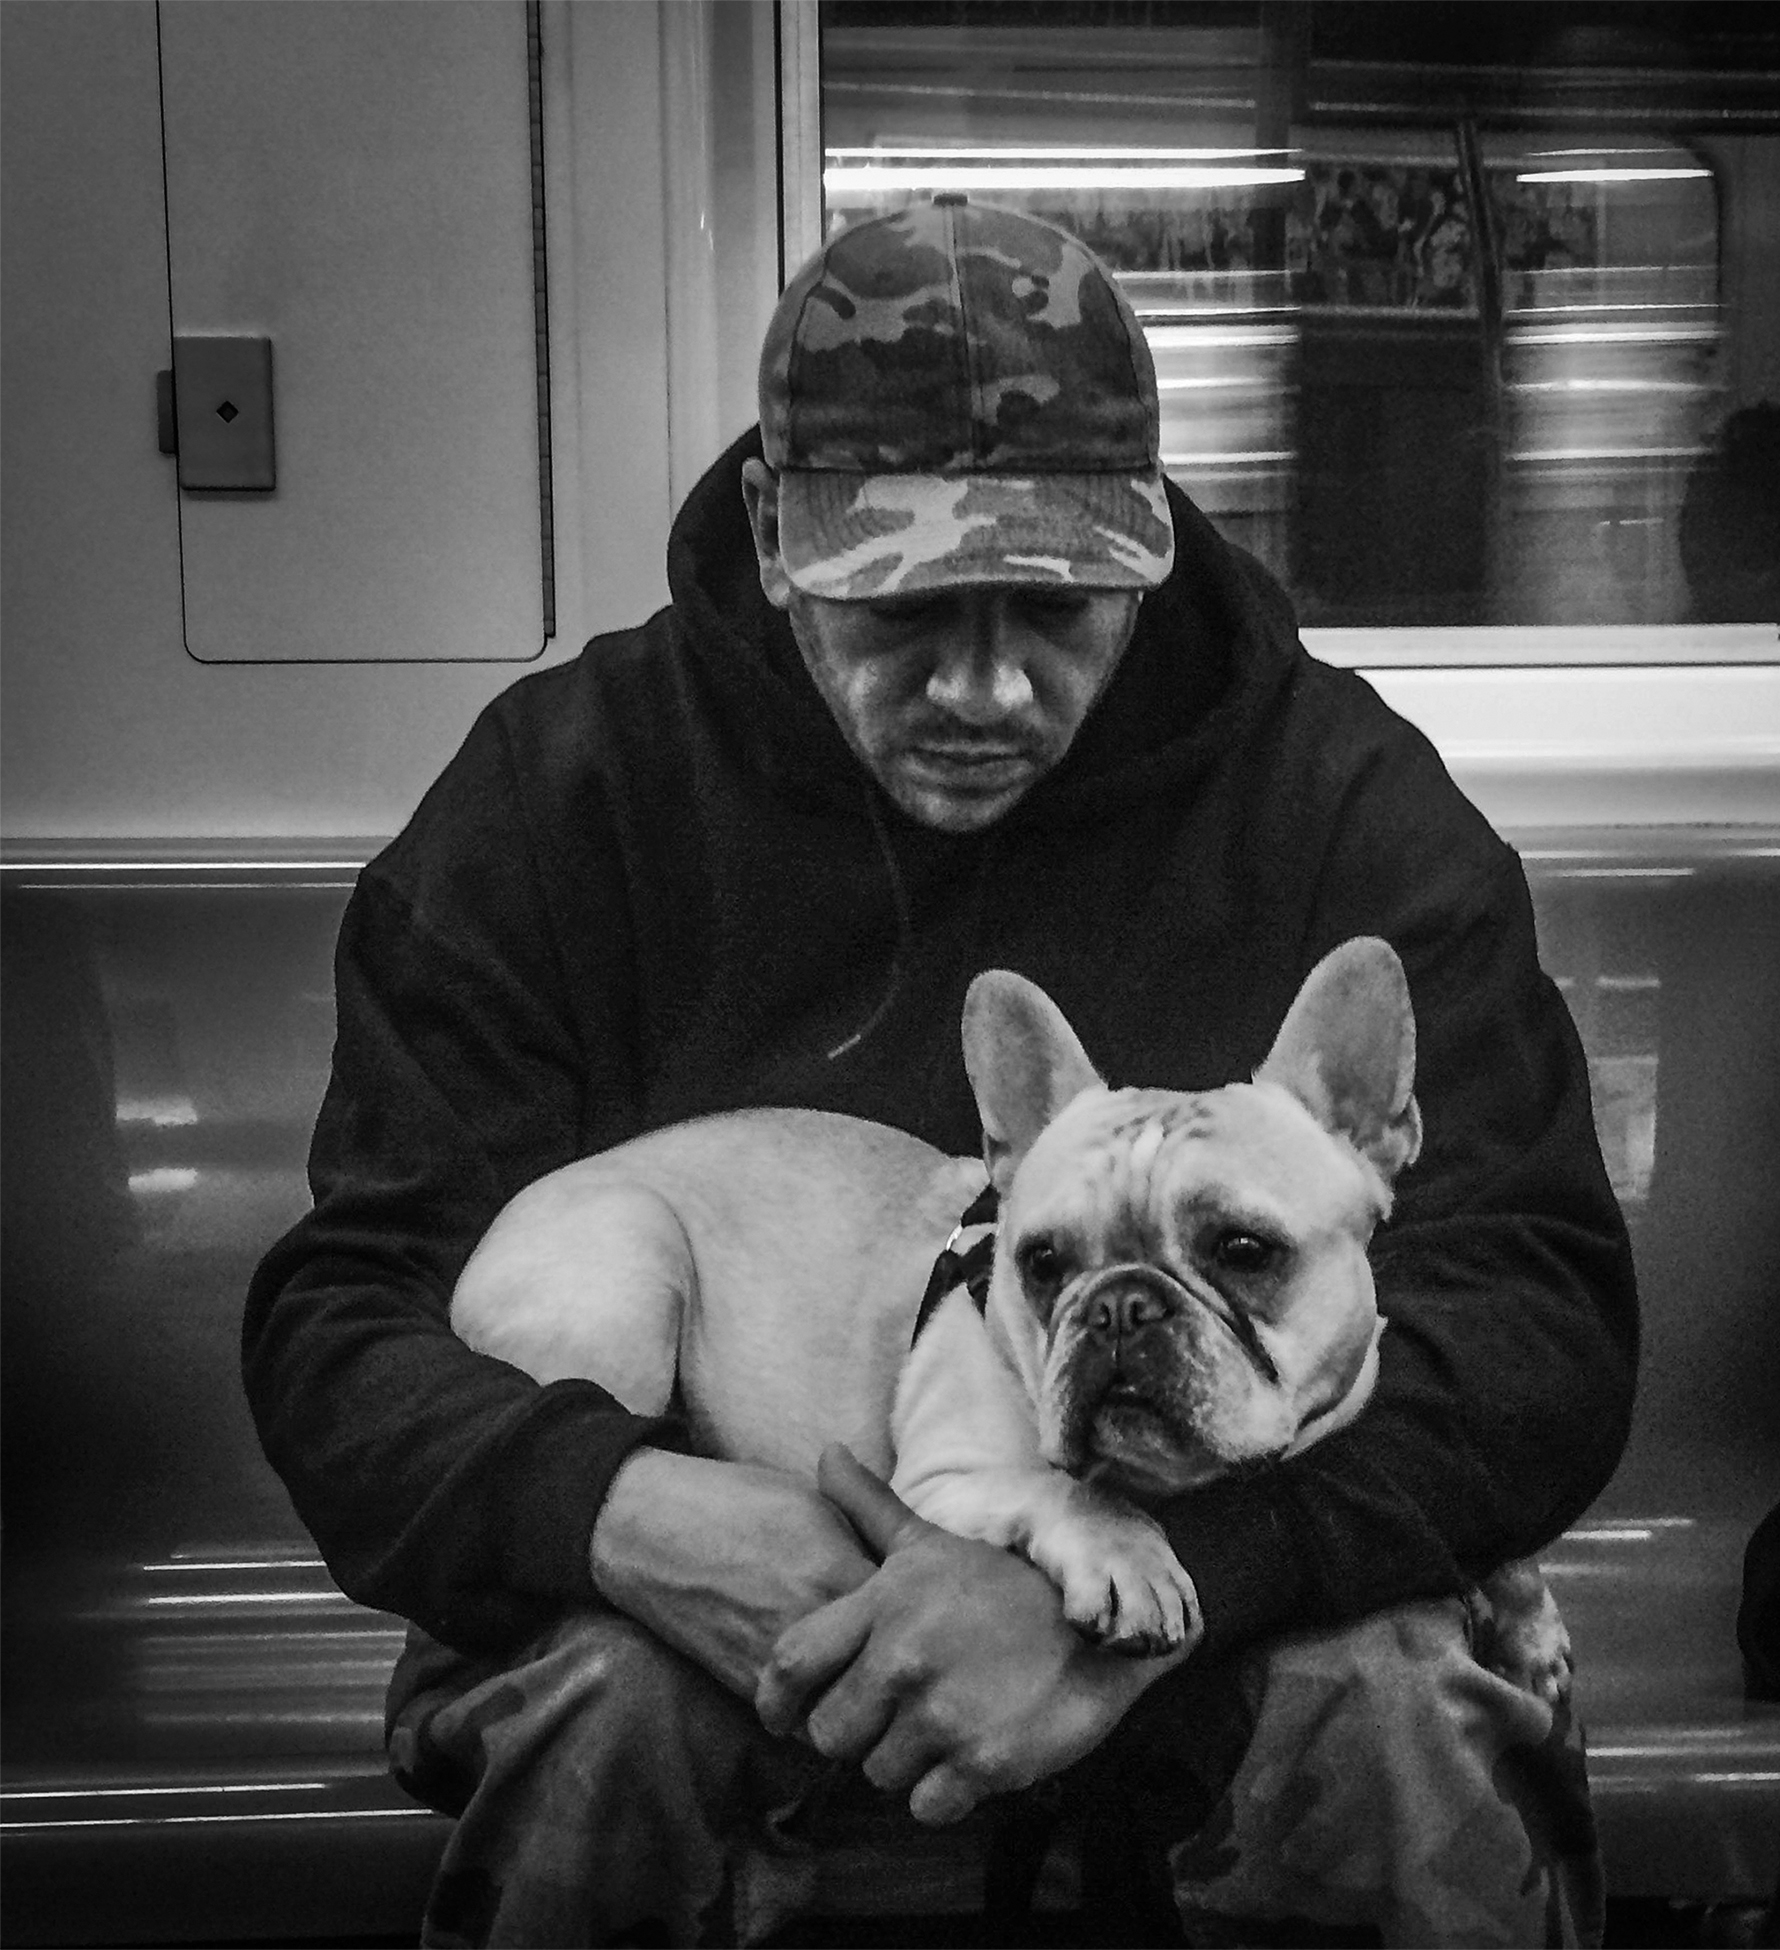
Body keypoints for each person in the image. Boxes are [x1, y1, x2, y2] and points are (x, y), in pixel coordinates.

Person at [244, 198, 1638, 1948]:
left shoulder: (1341, 803)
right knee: (597, 1712)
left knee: (1389, 1708)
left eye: (1054, 603)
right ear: (772, 531)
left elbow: (1540, 1318)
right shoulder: (562, 798)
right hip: (703, 1575)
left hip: (1242, 1549)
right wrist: (623, 1508)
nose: (981, 684)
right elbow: (345, 1321)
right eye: (898, 606)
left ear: (1145, 538)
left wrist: (1163, 1585)